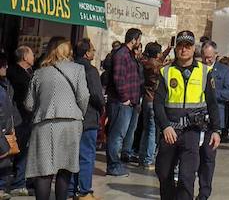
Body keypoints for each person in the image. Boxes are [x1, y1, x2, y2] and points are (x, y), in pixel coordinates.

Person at [154, 30, 220, 200]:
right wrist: (166, 126)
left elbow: (212, 103)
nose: (184, 50)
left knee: (186, 176)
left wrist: (216, 130)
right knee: (163, 173)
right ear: (176, 49)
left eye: (188, 46)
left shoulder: (204, 72)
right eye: (181, 46)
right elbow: (158, 103)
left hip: (192, 132)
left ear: (193, 49)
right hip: (170, 131)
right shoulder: (166, 72)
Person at [24, 39, 89, 200]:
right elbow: (84, 96)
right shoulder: (78, 69)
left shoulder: (39, 73)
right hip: (71, 123)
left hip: (44, 124)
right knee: (65, 169)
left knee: (43, 171)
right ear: (68, 51)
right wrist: (77, 112)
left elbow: (29, 104)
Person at [198, 40, 229, 200]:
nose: (207, 60)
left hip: (214, 120)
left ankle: (204, 193)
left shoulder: (224, 71)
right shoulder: (196, 69)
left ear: (216, 55)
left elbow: (228, 93)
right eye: (205, 57)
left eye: (210, 57)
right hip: (196, 119)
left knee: (208, 157)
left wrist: (210, 94)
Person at [105, 27, 143, 177]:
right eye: (139, 39)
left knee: (121, 134)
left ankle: (117, 163)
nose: (139, 43)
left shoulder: (130, 55)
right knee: (117, 135)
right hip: (121, 103)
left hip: (130, 102)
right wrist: (125, 98)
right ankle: (113, 166)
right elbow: (119, 79)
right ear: (133, 39)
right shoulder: (121, 55)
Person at [72, 38, 105, 200]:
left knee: (72, 155)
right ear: (86, 53)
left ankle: (71, 189)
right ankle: (84, 190)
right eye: (92, 50)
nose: (94, 52)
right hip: (88, 117)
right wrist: (102, 106)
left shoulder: (70, 68)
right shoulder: (90, 71)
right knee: (86, 156)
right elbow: (97, 96)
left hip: (72, 117)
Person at [7, 44, 33, 195]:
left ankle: (19, 180)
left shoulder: (25, 72)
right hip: (19, 118)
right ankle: (18, 182)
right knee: (20, 150)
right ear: (25, 57)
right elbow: (24, 98)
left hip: (21, 117)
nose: (34, 56)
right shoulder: (17, 74)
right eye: (31, 54)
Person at [139, 41, 168, 170]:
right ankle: (149, 159)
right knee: (151, 131)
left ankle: (142, 157)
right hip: (152, 100)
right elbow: (161, 66)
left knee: (146, 130)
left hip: (146, 99)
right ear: (156, 54)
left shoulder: (146, 63)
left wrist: (168, 49)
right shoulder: (154, 66)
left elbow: (160, 60)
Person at [0, 54, 18, 200]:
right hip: (2, 132)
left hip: (6, 130)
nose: (6, 67)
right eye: (3, 64)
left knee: (5, 163)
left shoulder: (5, 85)